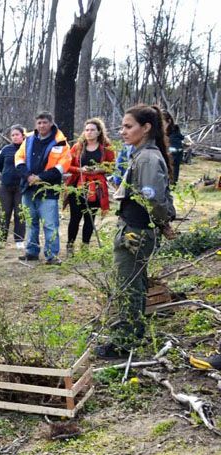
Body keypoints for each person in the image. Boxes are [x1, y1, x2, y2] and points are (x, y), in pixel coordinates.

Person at [94, 105, 176, 360]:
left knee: (129, 285)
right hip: (132, 227)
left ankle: (125, 341)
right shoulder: (139, 155)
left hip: (137, 231)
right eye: (122, 126)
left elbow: (154, 200)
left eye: (128, 126)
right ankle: (133, 332)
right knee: (134, 283)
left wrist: (162, 223)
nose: (122, 131)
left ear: (146, 127)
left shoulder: (148, 158)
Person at [15, 111, 71, 265]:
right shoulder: (29, 140)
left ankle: (52, 255)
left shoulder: (61, 143)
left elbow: (62, 166)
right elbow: (18, 159)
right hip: (28, 187)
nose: (41, 125)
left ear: (51, 123)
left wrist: (40, 177)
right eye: (39, 123)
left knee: (50, 224)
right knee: (30, 222)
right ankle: (31, 252)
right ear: (35, 124)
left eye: (45, 122)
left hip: (49, 190)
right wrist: (28, 176)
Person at [64, 118, 116, 255]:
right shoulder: (78, 146)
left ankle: (85, 246)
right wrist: (80, 169)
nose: (89, 132)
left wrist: (99, 169)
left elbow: (111, 166)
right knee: (75, 217)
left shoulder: (106, 147)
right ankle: (70, 245)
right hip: (78, 185)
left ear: (99, 132)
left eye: (92, 130)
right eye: (87, 130)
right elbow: (67, 165)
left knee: (90, 218)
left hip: (96, 187)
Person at [0, 125, 27, 250]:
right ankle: (0, 240)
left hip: (21, 187)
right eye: (13, 135)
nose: (15, 137)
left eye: (17, 134)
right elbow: (0, 166)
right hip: (5, 186)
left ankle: (19, 240)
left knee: (19, 213)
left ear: (23, 135)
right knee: (4, 213)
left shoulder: (27, 148)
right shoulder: (6, 149)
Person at [163, 110, 187, 185]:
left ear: (169, 121)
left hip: (172, 163)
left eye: (162, 122)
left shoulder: (174, 134)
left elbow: (176, 150)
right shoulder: (160, 133)